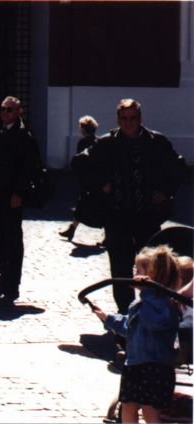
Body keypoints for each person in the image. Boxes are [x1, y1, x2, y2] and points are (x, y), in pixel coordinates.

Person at [74, 99, 181, 314]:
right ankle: (126, 315)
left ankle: (153, 311)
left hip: (147, 216)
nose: (128, 123)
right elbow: (80, 164)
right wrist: (100, 185)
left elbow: (177, 166)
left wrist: (165, 192)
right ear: (118, 119)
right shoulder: (107, 143)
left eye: (133, 118)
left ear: (140, 118)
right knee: (121, 269)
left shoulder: (155, 141)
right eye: (124, 119)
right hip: (117, 216)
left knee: (153, 267)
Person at [91, 245, 181, 424]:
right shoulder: (141, 302)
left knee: (150, 410)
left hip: (154, 367)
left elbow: (152, 322)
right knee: (128, 406)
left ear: (151, 276)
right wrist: (108, 319)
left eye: (138, 270)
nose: (133, 273)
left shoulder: (165, 305)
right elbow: (131, 327)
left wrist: (146, 293)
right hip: (135, 364)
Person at [0, 96, 40, 304]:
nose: (5, 113)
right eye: (3, 109)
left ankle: (12, 281)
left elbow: (29, 167)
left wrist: (19, 193)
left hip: (12, 195)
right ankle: (3, 274)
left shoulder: (24, 135)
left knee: (12, 238)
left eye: (9, 110)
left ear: (19, 111)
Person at [59, 115, 100, 242]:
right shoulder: (98, 141)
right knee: (96, 205)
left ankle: (72, 229)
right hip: (97, 178)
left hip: (88, 180)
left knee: (83, 204)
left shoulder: (83, 143)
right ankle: (72, 229)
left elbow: (80, 162)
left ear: (84, 128)